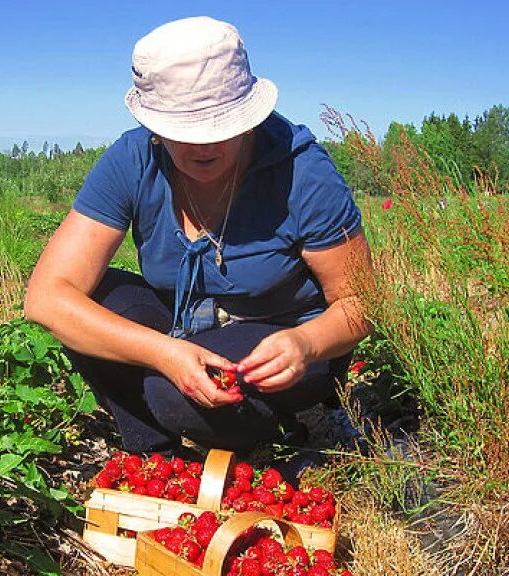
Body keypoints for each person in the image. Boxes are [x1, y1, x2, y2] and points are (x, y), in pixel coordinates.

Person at [24, 16, 374, 458]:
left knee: (171, 394)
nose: (204, 145)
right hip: (186, 325)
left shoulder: (301, 171)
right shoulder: (132, 160)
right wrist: (164, 353)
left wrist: (305, 344)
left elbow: (361, 304)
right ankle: (160, 460)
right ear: (155, 127)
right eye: (184, 129)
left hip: (284, 341)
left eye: (221, 125)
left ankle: (277, 428)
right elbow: (46, 298)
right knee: (96, 301)